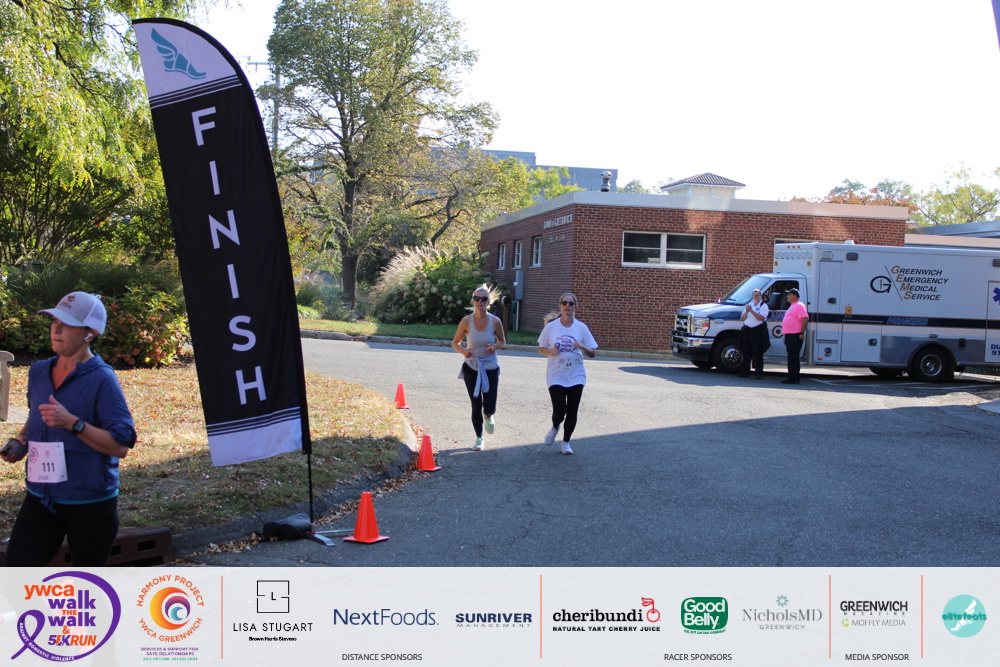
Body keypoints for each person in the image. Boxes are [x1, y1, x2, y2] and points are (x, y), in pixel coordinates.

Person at [1, 291, 136, 566]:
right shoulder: (39, 371)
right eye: (54, 321)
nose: (56, 329)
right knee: (16, 576)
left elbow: (121, 445)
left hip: (89, 503)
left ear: (90, 333)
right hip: (41, 498)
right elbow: (37, 414)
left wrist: (74, 424)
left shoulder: (102, 379)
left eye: (67, 324)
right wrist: (22, 439)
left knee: (86, 586)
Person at [537, 293, 598, 455]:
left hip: (576, 375)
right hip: (556, 374)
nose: (567, 306)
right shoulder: (551, 327)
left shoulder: (581, 328)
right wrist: (550, 351)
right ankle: (555, 426)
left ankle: (566, 443)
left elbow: (593, 352)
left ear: (575, 306)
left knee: (572, 410)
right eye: (564, 303)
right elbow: (541, 348)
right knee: (559, 409)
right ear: (560, 306)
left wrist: (582, 346)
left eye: (571, 303)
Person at [452, 285, 505, 451]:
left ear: (488, 302)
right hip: (472, 366)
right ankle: (479, 438)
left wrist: (494, 348)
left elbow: (502, 341)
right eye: (477, 298)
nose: (480, 301)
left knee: (489, 405)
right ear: (473, 301)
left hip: (490, 366)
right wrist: (464, 352)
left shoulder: (495, 321)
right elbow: (455, 343)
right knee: (476, 404)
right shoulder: (466, 321)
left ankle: (488, 415)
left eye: (483, 299)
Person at [738, 288, 770, 378]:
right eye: (754, 295)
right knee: (746, 352)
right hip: (747, 331)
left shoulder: (763, 306)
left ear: (761, 296)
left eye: (757, 295)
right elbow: (743, 317)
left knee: (757, 353)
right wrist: (747, 311)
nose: (756, 297)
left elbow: (761, 318)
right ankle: (745, 372)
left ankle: (759, 373)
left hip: (758, 331)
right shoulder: (750, 305)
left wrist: (751, 311)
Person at [780, 287, 809, 384]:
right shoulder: (792, 306)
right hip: (789, 335)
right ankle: (792, 377)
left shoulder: (799, 305)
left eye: (789, 295)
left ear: (795, 296)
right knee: (791, 357)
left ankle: (794, 378)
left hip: (795, 335)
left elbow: (805, 318)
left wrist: (802, 332)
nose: (787, 296)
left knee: (793, 357)